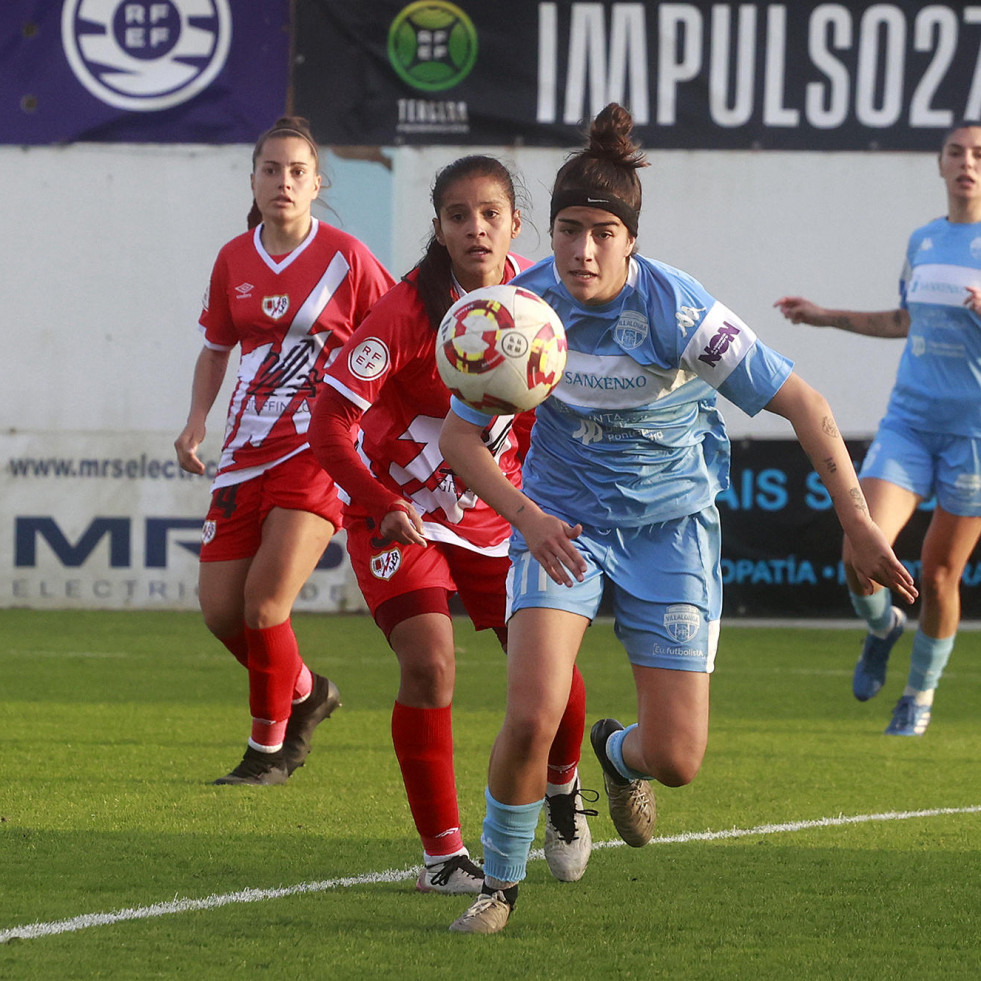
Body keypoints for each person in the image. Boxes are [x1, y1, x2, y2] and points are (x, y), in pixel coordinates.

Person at [438, 103, 917, 934]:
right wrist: (528, 515)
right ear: (545, 231)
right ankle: (498, 886)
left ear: (630, 240)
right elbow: (458, 435)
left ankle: (617, 754)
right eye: (566, 229)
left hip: (670, 532)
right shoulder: (517, 312)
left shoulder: (678, 311)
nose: (581, 250)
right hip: (562, 529)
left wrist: (859, 523)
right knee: (529, 708)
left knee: (678, 758)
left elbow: (802, 403)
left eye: (600, 232)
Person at [308, 155, 596, 894]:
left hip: (498, 515)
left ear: (514, 225)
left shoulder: (541, 302)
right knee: (430, 663)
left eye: (489, 214)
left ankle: (562, 791)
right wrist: (378, 501)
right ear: (437, 229)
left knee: (552, 675)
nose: (475, 228)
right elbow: (330, 422)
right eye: (458, 216)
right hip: (402, 517)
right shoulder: (407, 310)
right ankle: (442, 856)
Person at [174, 116, 395, 785]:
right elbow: (216, 349)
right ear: (253, 179)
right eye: (271, 169)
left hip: (317, 452)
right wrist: (195, 423)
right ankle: (308, 690)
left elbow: (395, 335)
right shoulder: (233, 258)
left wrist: (381, 432)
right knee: (221, 612)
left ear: (317, 181)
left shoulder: (347, 258)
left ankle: (267, 751)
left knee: (265, 606)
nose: (283, 182)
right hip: (244, 450)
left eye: (297, 171)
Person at [774, 121, 981, 737]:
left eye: (979, 153)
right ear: (940, 164)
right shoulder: (924, 241)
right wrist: (823, 316)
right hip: (910, 423)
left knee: (941, 575)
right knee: (858, 551)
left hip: (973, 436)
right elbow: (902, 320)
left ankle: (918, 696)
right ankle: (882, 626)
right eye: (956, 152)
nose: (967, 162)